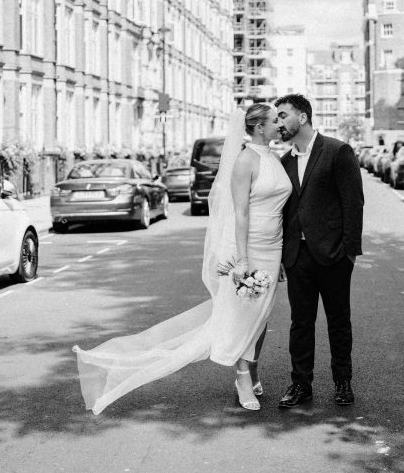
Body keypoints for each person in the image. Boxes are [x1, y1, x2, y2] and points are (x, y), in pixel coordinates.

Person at [72, 103, 292, 413]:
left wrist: (280, 256)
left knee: (261, 315)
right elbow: (240, 212)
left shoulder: (274, 158)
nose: (280, 125)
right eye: (274, 120)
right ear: (259, 127)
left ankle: (251, 368)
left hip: (273, 247)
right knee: (243, 314)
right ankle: (242, 376)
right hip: (249, 246)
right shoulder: (245, 160)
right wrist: (242, 260)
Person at [274, 93, 364, 408]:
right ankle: (301, 384)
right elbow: (285, 211)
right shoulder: (284, 162)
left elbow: (354, 203)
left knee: (338, 322)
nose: (278, 123)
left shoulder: (338, 151)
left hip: (334, 255)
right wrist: (282, 255)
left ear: (302, 117)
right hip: (297, 256)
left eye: (283, 115)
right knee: (300, 323)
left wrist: (349, 253)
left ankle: (343, 382)